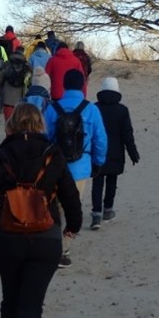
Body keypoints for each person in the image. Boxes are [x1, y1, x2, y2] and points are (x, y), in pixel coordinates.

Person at [0, 103, 82, 318]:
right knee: (31, 305)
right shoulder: (53, 153)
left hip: (9, 237)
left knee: (10, 301)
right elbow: (70, 194)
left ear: (12, 124)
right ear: (39, 124)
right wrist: (73, 225)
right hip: (46, 237)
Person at [43, 69, 107, 267]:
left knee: (54, 207)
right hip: (80, 166)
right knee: (73, 208)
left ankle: (50, 244)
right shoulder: (91, 109)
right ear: (82, 85)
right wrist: (98, 162)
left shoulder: (53, 108)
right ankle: (64, 249)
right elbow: (100, 140)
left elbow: (45, 138)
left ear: (63, 85)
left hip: (55, 166)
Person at [90, 76, 140, 229]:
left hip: (97, 152)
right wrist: (133, 153)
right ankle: (108, 210)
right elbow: (127, 134)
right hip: (116, 153)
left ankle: (96, 214)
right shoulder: (122, 110)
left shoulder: (94, 108)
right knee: (112, 181)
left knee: (97, 183)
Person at [0, 48, 32, 126]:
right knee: (20, 126)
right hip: (21, 101)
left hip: (7, 100)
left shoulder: (6, 64)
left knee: (9, 126)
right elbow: (31, 83)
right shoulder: (27, 66)